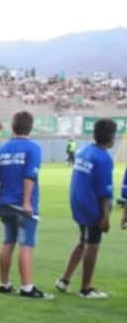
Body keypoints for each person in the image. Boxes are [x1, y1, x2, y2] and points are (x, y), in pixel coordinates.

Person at [0, 111, 53, 299]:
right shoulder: (33, 148)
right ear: (30, 127)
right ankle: (27, 287)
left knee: (7, 242)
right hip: (22, 205)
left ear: (13, 126)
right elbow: (29, 176)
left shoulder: (1, 149)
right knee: (26, 244)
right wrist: (26, 202)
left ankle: (4, 284)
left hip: (5, 204)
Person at [55, 119, 117, 298]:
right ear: (110, 136)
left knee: (83, 242)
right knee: (92, 246)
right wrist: (105, 217)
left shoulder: (83, 151)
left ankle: (64, 279)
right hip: (92, 207)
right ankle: (86, 288)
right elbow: (105, 192)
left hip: (79, 204)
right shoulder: (103, 158)